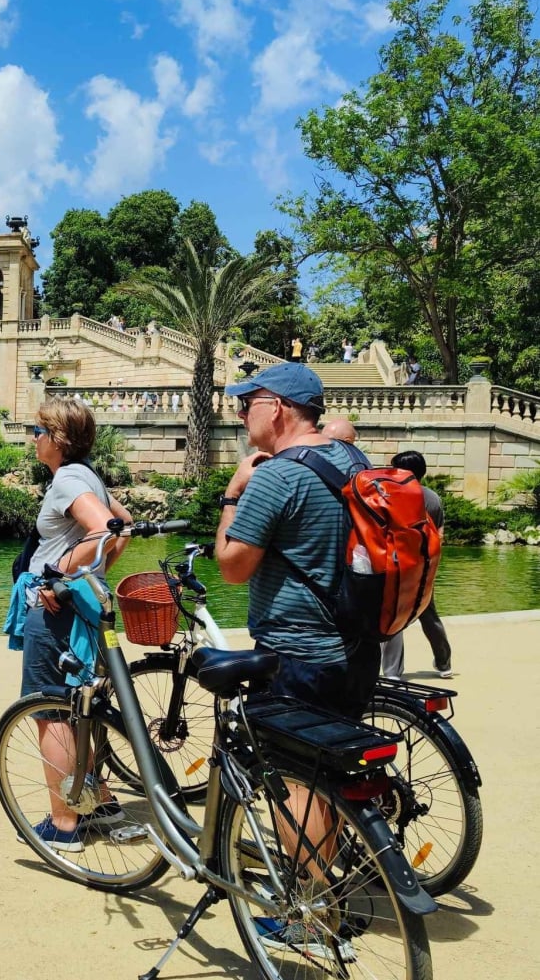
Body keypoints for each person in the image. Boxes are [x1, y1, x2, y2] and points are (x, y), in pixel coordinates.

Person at [214, 363, 377, 950]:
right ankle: (331, 885)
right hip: (357, 647)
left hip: (297, 652)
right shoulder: (349, 461)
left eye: (246, 403)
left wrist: (233, 491)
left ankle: (308, 914)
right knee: (330, 771)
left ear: (277, 408)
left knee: (294, 783)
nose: (239, 414)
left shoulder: (278, 477)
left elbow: (231, 567)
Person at [19, 399, 133, 852]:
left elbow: (104, 528)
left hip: (57, 611)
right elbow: (122, 526)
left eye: (37, 430)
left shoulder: (68, 479)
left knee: (52, 714)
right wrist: (94, 573)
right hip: (82, 608)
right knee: (80, 706)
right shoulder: (88, 475)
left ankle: (64, 822)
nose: (33, 438)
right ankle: (99, 800)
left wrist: (59, 574)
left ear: (57, 439)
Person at [380, 450, 454, 680]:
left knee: (394, 615)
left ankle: (392, 671)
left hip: (397, 564)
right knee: (428, 614)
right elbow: (439, 535)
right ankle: (444, 663)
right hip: (423, 566)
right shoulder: (431, 497)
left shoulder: (390, 494)